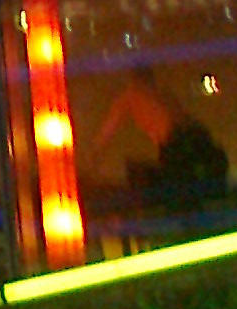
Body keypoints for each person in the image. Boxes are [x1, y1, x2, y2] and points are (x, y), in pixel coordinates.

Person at [96, 64, 228, 214]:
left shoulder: (132, 96)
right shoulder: (158, 91)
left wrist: (97, 151)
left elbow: (110, 125)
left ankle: (190, 206)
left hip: (175, 138)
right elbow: (179, 112)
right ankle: (204, 201)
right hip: (187, 133)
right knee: (190, 174)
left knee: (177, 181)